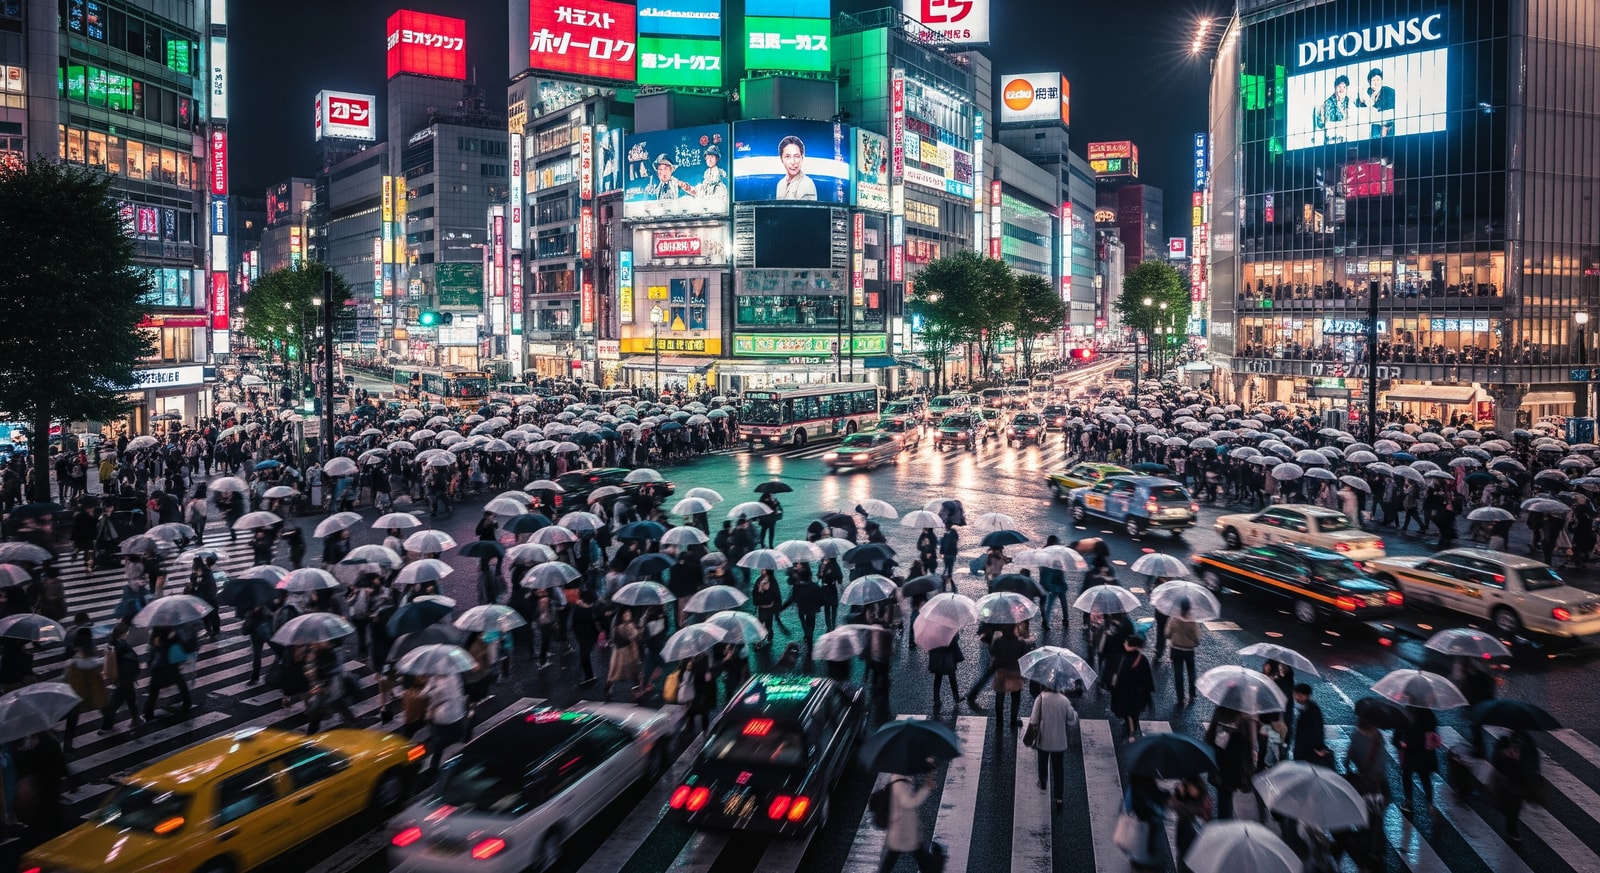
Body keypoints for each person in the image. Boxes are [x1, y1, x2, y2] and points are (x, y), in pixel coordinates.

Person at [1030, 682, 1079, 809]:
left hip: (1044, 738)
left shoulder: (1040, 698)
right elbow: (1072, 719)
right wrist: (1073, 710)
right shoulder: (1064, 700)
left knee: (1042, 761)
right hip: (1059, 741)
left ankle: (1043, 781)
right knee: (1058, 769)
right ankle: (1059, 798)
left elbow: (1034, 719)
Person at [1206, 706, 1259, 820]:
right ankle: (1226, 821)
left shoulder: (1220, 713)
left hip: (1220, 761)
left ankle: (1224, 821)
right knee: (1227, 794)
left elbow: (1209, 737)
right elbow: (1249, 743)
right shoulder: (1244, 718)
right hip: (1235, 765)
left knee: (1223, 795)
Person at [877, 772, 936, 873]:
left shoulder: (897, 776)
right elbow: (908, 803)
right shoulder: (900, 782)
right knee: (920, 857)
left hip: (903, 827)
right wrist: (926, 789)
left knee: (892, 858)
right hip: (903, 828)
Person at [1489, 728, 1539, 843]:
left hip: (1519, 780)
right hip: (1507, 779)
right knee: (1509, 805)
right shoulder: (1505, 740)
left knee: (1515, 806)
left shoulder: (1528, 743)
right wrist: (1505, 753)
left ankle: (1511, 828)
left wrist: (1519, 760)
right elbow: (1496, 759)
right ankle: (1511, 827)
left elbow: (1533, 762)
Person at [99, 621, 142, 732]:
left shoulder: (113, 644)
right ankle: (106, 726)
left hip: (122, 678)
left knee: (130, 699)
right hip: (125, 678)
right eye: (127, 631)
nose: (128, 633)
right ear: (123, 633)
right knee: (116, 702)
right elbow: (131, 662)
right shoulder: (123, 645)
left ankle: (136, 719)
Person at [1109, 635, 1154, 742]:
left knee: (1124, 710)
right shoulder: (1142, 659)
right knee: (1134, 711)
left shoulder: (1120, 657)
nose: (1124, 643)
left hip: (1122, 691)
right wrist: (1149, 697)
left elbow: (1112, 672)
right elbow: (1147, 678)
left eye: (1127, 642)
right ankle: (1132, 725)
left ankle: (1130, 729)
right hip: (1137, 693)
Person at [1396, 705, 1439, 814]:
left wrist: (1399, 742)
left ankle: (1409, 802)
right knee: (1425, 777)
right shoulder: (1429, 714)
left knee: (1407, 776)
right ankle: (1430, 802)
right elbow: (1433, 732)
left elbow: (1399, 732)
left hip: (1410, 750)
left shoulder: (1407, 713)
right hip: (1425, 752)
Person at [422, 671, 467, 773]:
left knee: (441, 742)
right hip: (451, 715)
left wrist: (432, 693)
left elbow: (424, 694)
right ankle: (457, 761)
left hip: (444, 716)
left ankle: (434, 767)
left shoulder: (436, 679)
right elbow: (459, 691)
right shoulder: (453, 676)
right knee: (457, 736)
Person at [1166, 598, 1201, 707]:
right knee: (1191, 672)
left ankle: (1180, 698)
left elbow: (1167, 634)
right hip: (1189, 650)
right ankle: (1192, 694)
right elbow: (1197, 637)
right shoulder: (1192, 620)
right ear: (1189, 608)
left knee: (1178, 673)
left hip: (1176, 649)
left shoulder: (1174, 618)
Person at [1291, 683, 1332, 765]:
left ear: (1305, 695)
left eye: (1297, 695)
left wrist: (1319, 748)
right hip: (1304, 748)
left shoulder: (1311, 711)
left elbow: (1316, 730)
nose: (1295, 697)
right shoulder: (1307, 707)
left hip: (1307, 750)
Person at [927, 633, 963, 714]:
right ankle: (956, 698)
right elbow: (954, 645)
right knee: (952, 678)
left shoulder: (933, 631)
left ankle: (936, 699)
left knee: (938, 678)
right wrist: (959, 656)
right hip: (948, 657)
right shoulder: (949, 632)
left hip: (938, 658)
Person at [775, 135, 818, 201]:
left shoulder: (807, 184)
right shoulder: (780, 184)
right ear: (781, 159)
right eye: (787, 156)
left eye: (796, 156)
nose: (793, 162)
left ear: (802, 157)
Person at [1357, 67, 1396, 137]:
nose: (1376, 83)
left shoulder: (1389, 92)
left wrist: (1386, 126)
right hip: (1371, 127)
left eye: (1378, 80)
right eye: (1373, 80)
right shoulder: (1365, 92)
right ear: (1369, 82)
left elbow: (1391, 112)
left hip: (1387, 126)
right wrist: (1361, 101)